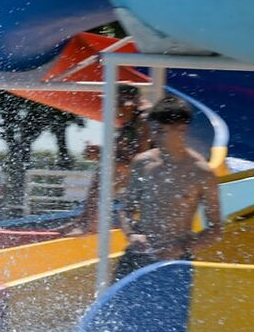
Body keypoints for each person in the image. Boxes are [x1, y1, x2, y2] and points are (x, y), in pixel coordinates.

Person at [114, 95, 223, 280]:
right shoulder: (143, 163)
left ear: (182, 129)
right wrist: (132, 234)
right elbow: (126, 209)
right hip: (138, 253)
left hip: (177, 260)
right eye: (154, 130)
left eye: (161, 131)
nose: (154, 136)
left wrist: (182, 248)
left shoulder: (201, 172)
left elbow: (216, 229)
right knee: (113, 307)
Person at [60, 84, 153, 236]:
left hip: (158, 175)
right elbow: (124, 151)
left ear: (128, 102)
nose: (113, 112)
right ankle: (85, 220)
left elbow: (140, 159)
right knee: (106, 168)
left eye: (114, 105)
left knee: (108, 170)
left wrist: (103, 154)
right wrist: (100, 150)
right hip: (148, 171)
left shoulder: (144, 119)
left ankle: (90, 224)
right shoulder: (132, 118)